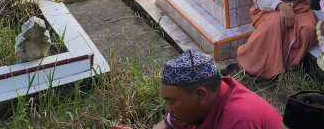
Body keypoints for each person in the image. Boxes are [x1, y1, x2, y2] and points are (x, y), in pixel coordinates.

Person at [110, 50, 282, 129]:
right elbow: (168, 124)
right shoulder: (206, 100)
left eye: (172, 102)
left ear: (200, 95)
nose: (167, 109)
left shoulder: (240, 120)